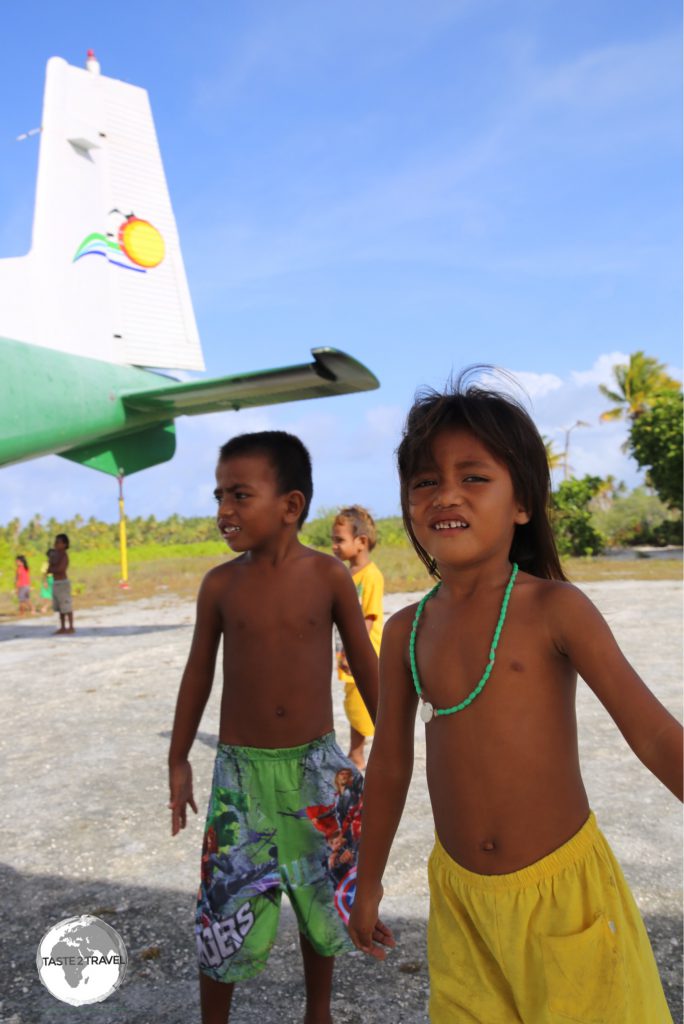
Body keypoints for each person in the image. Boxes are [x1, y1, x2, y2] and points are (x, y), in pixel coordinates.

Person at [347, 372, 683, 1023]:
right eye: (424, 481)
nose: (446, 493)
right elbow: (389, 764)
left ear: (522, 502)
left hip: (564, 899)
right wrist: (367, 880)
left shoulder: (556, 610)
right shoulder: (405, 631)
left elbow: (654, 735)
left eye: (474, 477)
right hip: (462, 904)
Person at [168, 431, 378, 1024]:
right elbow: (197, 674)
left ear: (290, 506)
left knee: (319, 897)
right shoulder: (221, 585)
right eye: (219, 496)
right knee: (224, 906)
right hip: (242, 776)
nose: (223, 512)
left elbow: (365, 664)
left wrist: (398, 742)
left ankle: (319, 1012)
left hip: (315, 767)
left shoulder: (327, 577)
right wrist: (178, 757)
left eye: (239, 495)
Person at [331, 506, 384, 769]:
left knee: (361, 703)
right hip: (348, 651)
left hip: (362, 652)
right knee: (352, 701)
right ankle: (356, 752)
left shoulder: (371, 576)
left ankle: (358, 753)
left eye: (339, 540)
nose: (334, 546)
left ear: (361, 542)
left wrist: (355, 652)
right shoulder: (346, 575)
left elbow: (369, 617)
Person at [48, 534, 74, 634]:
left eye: (58, 542)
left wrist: (52, 569)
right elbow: (50, 568)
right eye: (55, 542)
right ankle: (63, 627)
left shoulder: (64, 556)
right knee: (60, 607)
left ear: (64, 544)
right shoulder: (55, 555)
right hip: (56, 582)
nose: (56, 544)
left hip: (63, 583)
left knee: (66, 606)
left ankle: (71, 626)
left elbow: (60, 569)